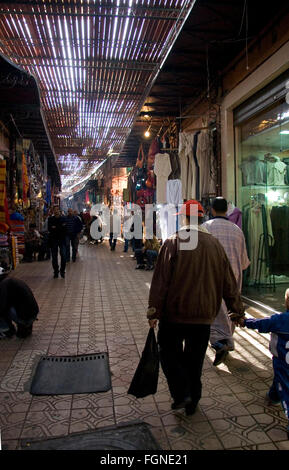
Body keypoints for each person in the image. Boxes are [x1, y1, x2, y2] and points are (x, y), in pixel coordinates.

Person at [147, 199, 245, 416]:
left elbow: (160, 281)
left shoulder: (173, 242)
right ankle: (193, 400)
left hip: (175, 314)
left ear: (184, 217)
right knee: (195, 359)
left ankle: (182, 393)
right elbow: (229, 282)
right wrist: (236, 310)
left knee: (169, 354)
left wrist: (154, 310)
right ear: (202, 217)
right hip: (203, 316)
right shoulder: (215, 246)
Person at [202, 197, 250, 366]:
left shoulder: (205, 229)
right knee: (229, 310)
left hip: (211, 276)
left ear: (212, 210)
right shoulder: (237, 230)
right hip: (234, 276)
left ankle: (219, 343)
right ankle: (226, 341)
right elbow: (244, 262)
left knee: (213, 312)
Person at [237, 289, 289, 439]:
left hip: (282, 361)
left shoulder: (280, 320)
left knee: (285, 386)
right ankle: (273, 396)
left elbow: (261, 323)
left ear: (286, 302)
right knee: (280, 381)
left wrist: (244, 322)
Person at [0, 274, 39, 338]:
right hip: (33, 313)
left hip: (26, 316)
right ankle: (25, 326)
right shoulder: (12, 281)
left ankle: (5, 330)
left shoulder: (3, 285)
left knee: (2, 308)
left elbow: (2, 307)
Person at [48, 205, 67, 278]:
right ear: (53, 211)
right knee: (54, 257)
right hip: (54, 240)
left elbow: (65, 229)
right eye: (54, 210)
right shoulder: (50, 219)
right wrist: (60, 227)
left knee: (64, 256)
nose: (56, 211)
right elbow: (50, 229)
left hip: (62, 239)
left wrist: (55, 227)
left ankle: (62, 270)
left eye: (57, 209)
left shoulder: (63, 219)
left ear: (59, 210)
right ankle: (56, 271)